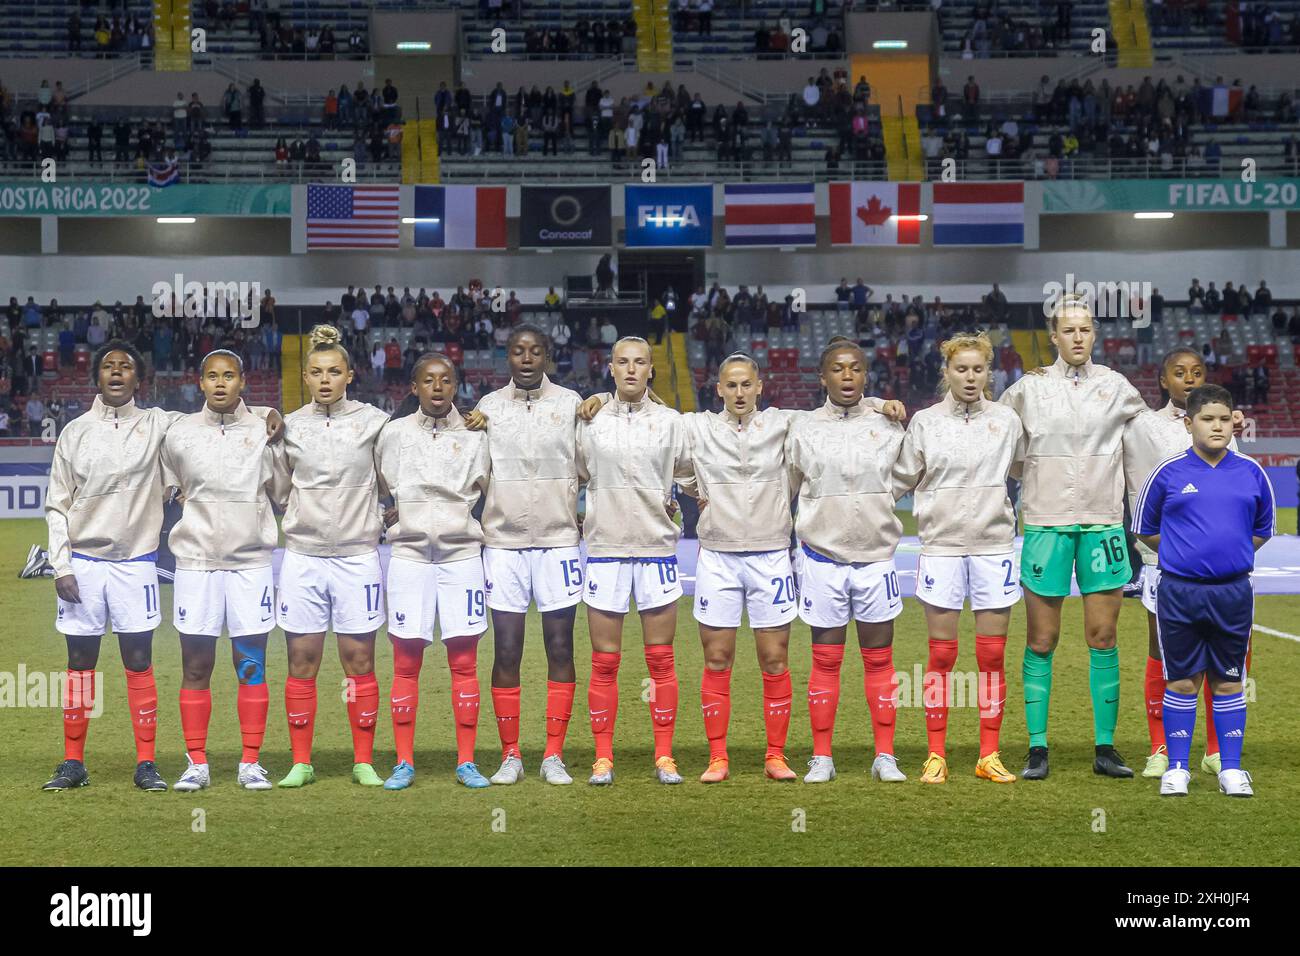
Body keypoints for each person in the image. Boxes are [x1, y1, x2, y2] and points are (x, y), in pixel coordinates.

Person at [41, 341, 281, 792]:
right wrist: (61, 565)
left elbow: (224, 406)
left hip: (136, 564)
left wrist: (269, 412)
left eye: (125, 367)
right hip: (84, 563)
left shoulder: (160, 424)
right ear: (97, 377)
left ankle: (146, 762)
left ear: (139, 378)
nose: (116, 373)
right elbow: (56, 503)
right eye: (108, 366)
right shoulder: (74, 432)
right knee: (78, 661)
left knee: (138, 660)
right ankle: (72, 762)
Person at [999, 294, 1148, 780]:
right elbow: (999, 439)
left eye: (1085, 329)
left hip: (1104, 523)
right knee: (1042, 639)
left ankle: (1105, 748)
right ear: (1055, 336)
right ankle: (1037, 749)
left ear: (1095, 334)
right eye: (1069, 330)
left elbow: (1151, 437)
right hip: (1046, 522)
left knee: (1103, 637)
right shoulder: (1028, 390)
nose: (1078, 337)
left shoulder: (1117, 387)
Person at [892, 334, 1024, 785]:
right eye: (961, 370)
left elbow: (1024, 468)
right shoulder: (926, 423)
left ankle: (989, 754)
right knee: (941, 655)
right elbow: (900, 478)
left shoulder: (1007, 421)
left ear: (990, 373)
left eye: (978, 370)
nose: (970, 377)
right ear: (946, 372)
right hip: (941, 547)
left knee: (992, 656)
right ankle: (935, 753)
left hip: (995, 547)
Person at [1134, 384, 1274, 798]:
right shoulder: (1167, 472)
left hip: (1232, 593)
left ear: (1235, 422)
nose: (1216, 426)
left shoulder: (1251, 472)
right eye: (1206, 419)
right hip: (1179, 592)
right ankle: (1176, 768)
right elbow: (1144, 527)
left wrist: (1226, 556)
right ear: (1189, 422)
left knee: (1230, 680)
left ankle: (1231, 768)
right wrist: (1184, 555)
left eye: (1223, 419)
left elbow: (1262, 531)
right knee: (1181, 680)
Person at [461, 325, 584, 785]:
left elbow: (593, 462)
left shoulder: (572, 405)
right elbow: (470, 471)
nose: (527, 359)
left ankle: (553, 755)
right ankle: (511, 754)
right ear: (506, 357)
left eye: (535, 351)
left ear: (548, 355)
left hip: (557, 543)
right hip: (504, 545)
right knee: (506, 648)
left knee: (560, 646)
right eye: (518, 351)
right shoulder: (488, 410)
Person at [272, 325, 390, 789]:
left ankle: (363, 760)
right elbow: (280, 490)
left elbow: (390, 480)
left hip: (358, 556)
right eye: (317, 372)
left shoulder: (375, 423)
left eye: (334, 371)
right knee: (302, 659)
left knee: (359, 659)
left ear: (350, 375)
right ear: (305, 376)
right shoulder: (289, 426)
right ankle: (301, 761)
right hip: (302, 556)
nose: (325, 380)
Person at [786, 338, 908, 784]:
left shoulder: (888, 425)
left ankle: (885, 755)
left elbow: (906, 477)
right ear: (822, 378)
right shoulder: (802, 429)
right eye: (837, 369)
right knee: (825, 661)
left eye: (855, 369)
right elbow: (789, 487)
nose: (847, 376)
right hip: (822, 559)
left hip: (876, 559)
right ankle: (822, 756)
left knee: (880, 660)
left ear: (865, 375)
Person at [576, 337, 696, 785]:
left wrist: (681, 505)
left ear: (650, 370)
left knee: (661, 660)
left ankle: (664, 756)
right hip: (605, 550)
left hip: (656, 551)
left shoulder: (671, 422)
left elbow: (689, 476)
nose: (631, 369)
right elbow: (573, 473)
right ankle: (603, 758)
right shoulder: (589, 421)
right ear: (610, 368)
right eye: (622, 362)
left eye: (639, 362)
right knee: (604, 661)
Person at [161, 350, 280, 792]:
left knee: (250, 664)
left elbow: (280, 488)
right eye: (212, 376)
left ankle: (250, 762)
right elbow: (168, 484)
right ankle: (197, 763)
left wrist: (272, 417)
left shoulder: (266, 429)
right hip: (196, 564)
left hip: (250, 562)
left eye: (229, 376)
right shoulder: (180, 434)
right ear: (200, 383)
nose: (220, 383)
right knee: (196, 667)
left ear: (242, 382)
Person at [1123, 347, 1241, 778]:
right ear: (1162, 381)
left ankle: (1214, 750)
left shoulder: (1225, 425)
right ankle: (1160, 748)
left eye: (1197, 372)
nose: (1188, 379)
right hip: (1162, 562)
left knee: (1221, 655)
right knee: (1164, 653)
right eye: (1179, 373)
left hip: (1219, 567)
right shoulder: (1141, 426)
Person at [376, 353, 493, 790]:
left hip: (461, 558)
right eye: (429, 381)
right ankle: (404, 762)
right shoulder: (393, 435)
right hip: (409, 559)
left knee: (464, 661)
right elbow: (372, 485)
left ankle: (466, 762)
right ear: (414, 387)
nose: (438, 387)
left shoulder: (478, 436)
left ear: (456, 385)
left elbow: (490, 489)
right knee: (406, 662)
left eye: (446, 380)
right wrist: (385, 518)